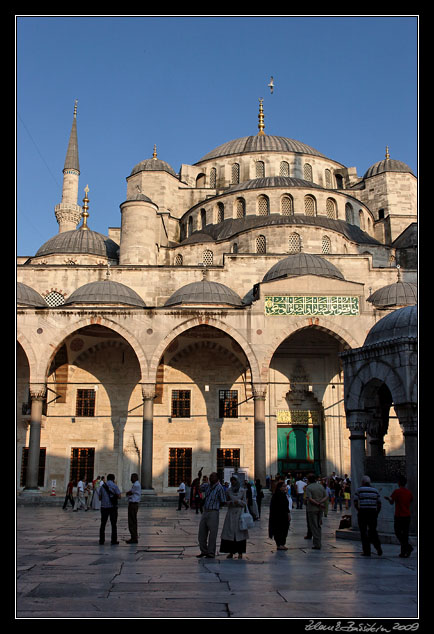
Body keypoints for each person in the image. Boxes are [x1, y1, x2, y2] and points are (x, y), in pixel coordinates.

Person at [197, 472, 226, 558]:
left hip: (213, 512)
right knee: (201, 533)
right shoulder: (207, 486)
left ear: (217, 478)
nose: (211, 478)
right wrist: (199, 478)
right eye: (210, 476)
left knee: (213, 534)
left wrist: (216, 507)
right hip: (205, 511)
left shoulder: (220, 488)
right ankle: (204, 551)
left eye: (212, 476)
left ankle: (211, 552)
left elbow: (223, 500)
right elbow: (199, 488)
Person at [384, 475, 414, 558]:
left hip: (399, 515)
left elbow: (391, 502)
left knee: (398, 532)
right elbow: (411, 501)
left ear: (399, 483)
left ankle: (408, 547)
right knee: (405, 534)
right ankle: (404, 551)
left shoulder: (397, 491)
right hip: (407, 515)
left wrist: (388, 499)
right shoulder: (409, 492)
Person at [220, 476, 249, 559]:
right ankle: (231, 552)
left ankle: (240, 552)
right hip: (231, 513)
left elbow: (244, 503)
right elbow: (225, 502)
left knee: (240, 535)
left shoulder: (243, 490)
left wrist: (238, 502)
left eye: (234, 480)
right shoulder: (228, 491)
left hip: (240, 513)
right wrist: (232, 503)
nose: (232, 482)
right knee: (230, 534)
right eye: (231, 480)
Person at [353, 475, 382, 557]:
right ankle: (378, 546)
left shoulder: (359, 490)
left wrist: (359, 510)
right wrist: (377, 513)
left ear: (362, 482)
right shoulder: (375, 491)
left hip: (363, 512)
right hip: (373, 513)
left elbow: (355, 502)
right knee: (373, 531)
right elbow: (379, 503)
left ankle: (367, 551)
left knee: (363, 532)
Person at [305, 474, 328, 549]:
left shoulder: (309, 487)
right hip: (320, 508)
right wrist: (320, 503)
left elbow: (310, 499)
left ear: (308, 480)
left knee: (314, 526)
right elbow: (326, 496)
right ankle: (319, 542)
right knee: (318, 525)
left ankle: (317, 544)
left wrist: (317, 503)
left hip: (312, 509)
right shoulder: (320, 486)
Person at [98, 473, 121, 545]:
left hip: (104, 507)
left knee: (103, 524)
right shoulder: (114, 486)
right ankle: (113, 540)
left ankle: (101, 540)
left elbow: (99, 498)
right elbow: (119, 496)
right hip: (112, 507)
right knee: (113, 524)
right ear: (113, 479)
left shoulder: (102, 487)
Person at [268, 480, 291, 550]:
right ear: (280, 487)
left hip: (282, 515)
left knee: (284, 530)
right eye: (283, 486)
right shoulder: (277, 495)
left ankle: (282, 544)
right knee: (279, 530)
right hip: (279, 516)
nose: (285, 488)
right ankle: (279, 544)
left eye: (285, 486)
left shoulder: (282, 494)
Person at [125, 473, 141, 544]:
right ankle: (134, 536)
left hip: (133, 504)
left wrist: (127, 493)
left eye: (131, 477)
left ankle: (133, 537)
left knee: (132, 521)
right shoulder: (136, 484)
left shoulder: (136, 485)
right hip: (134, 504)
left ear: (135, 477)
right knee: (133, 520)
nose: (130, 479)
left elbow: (130, 492)